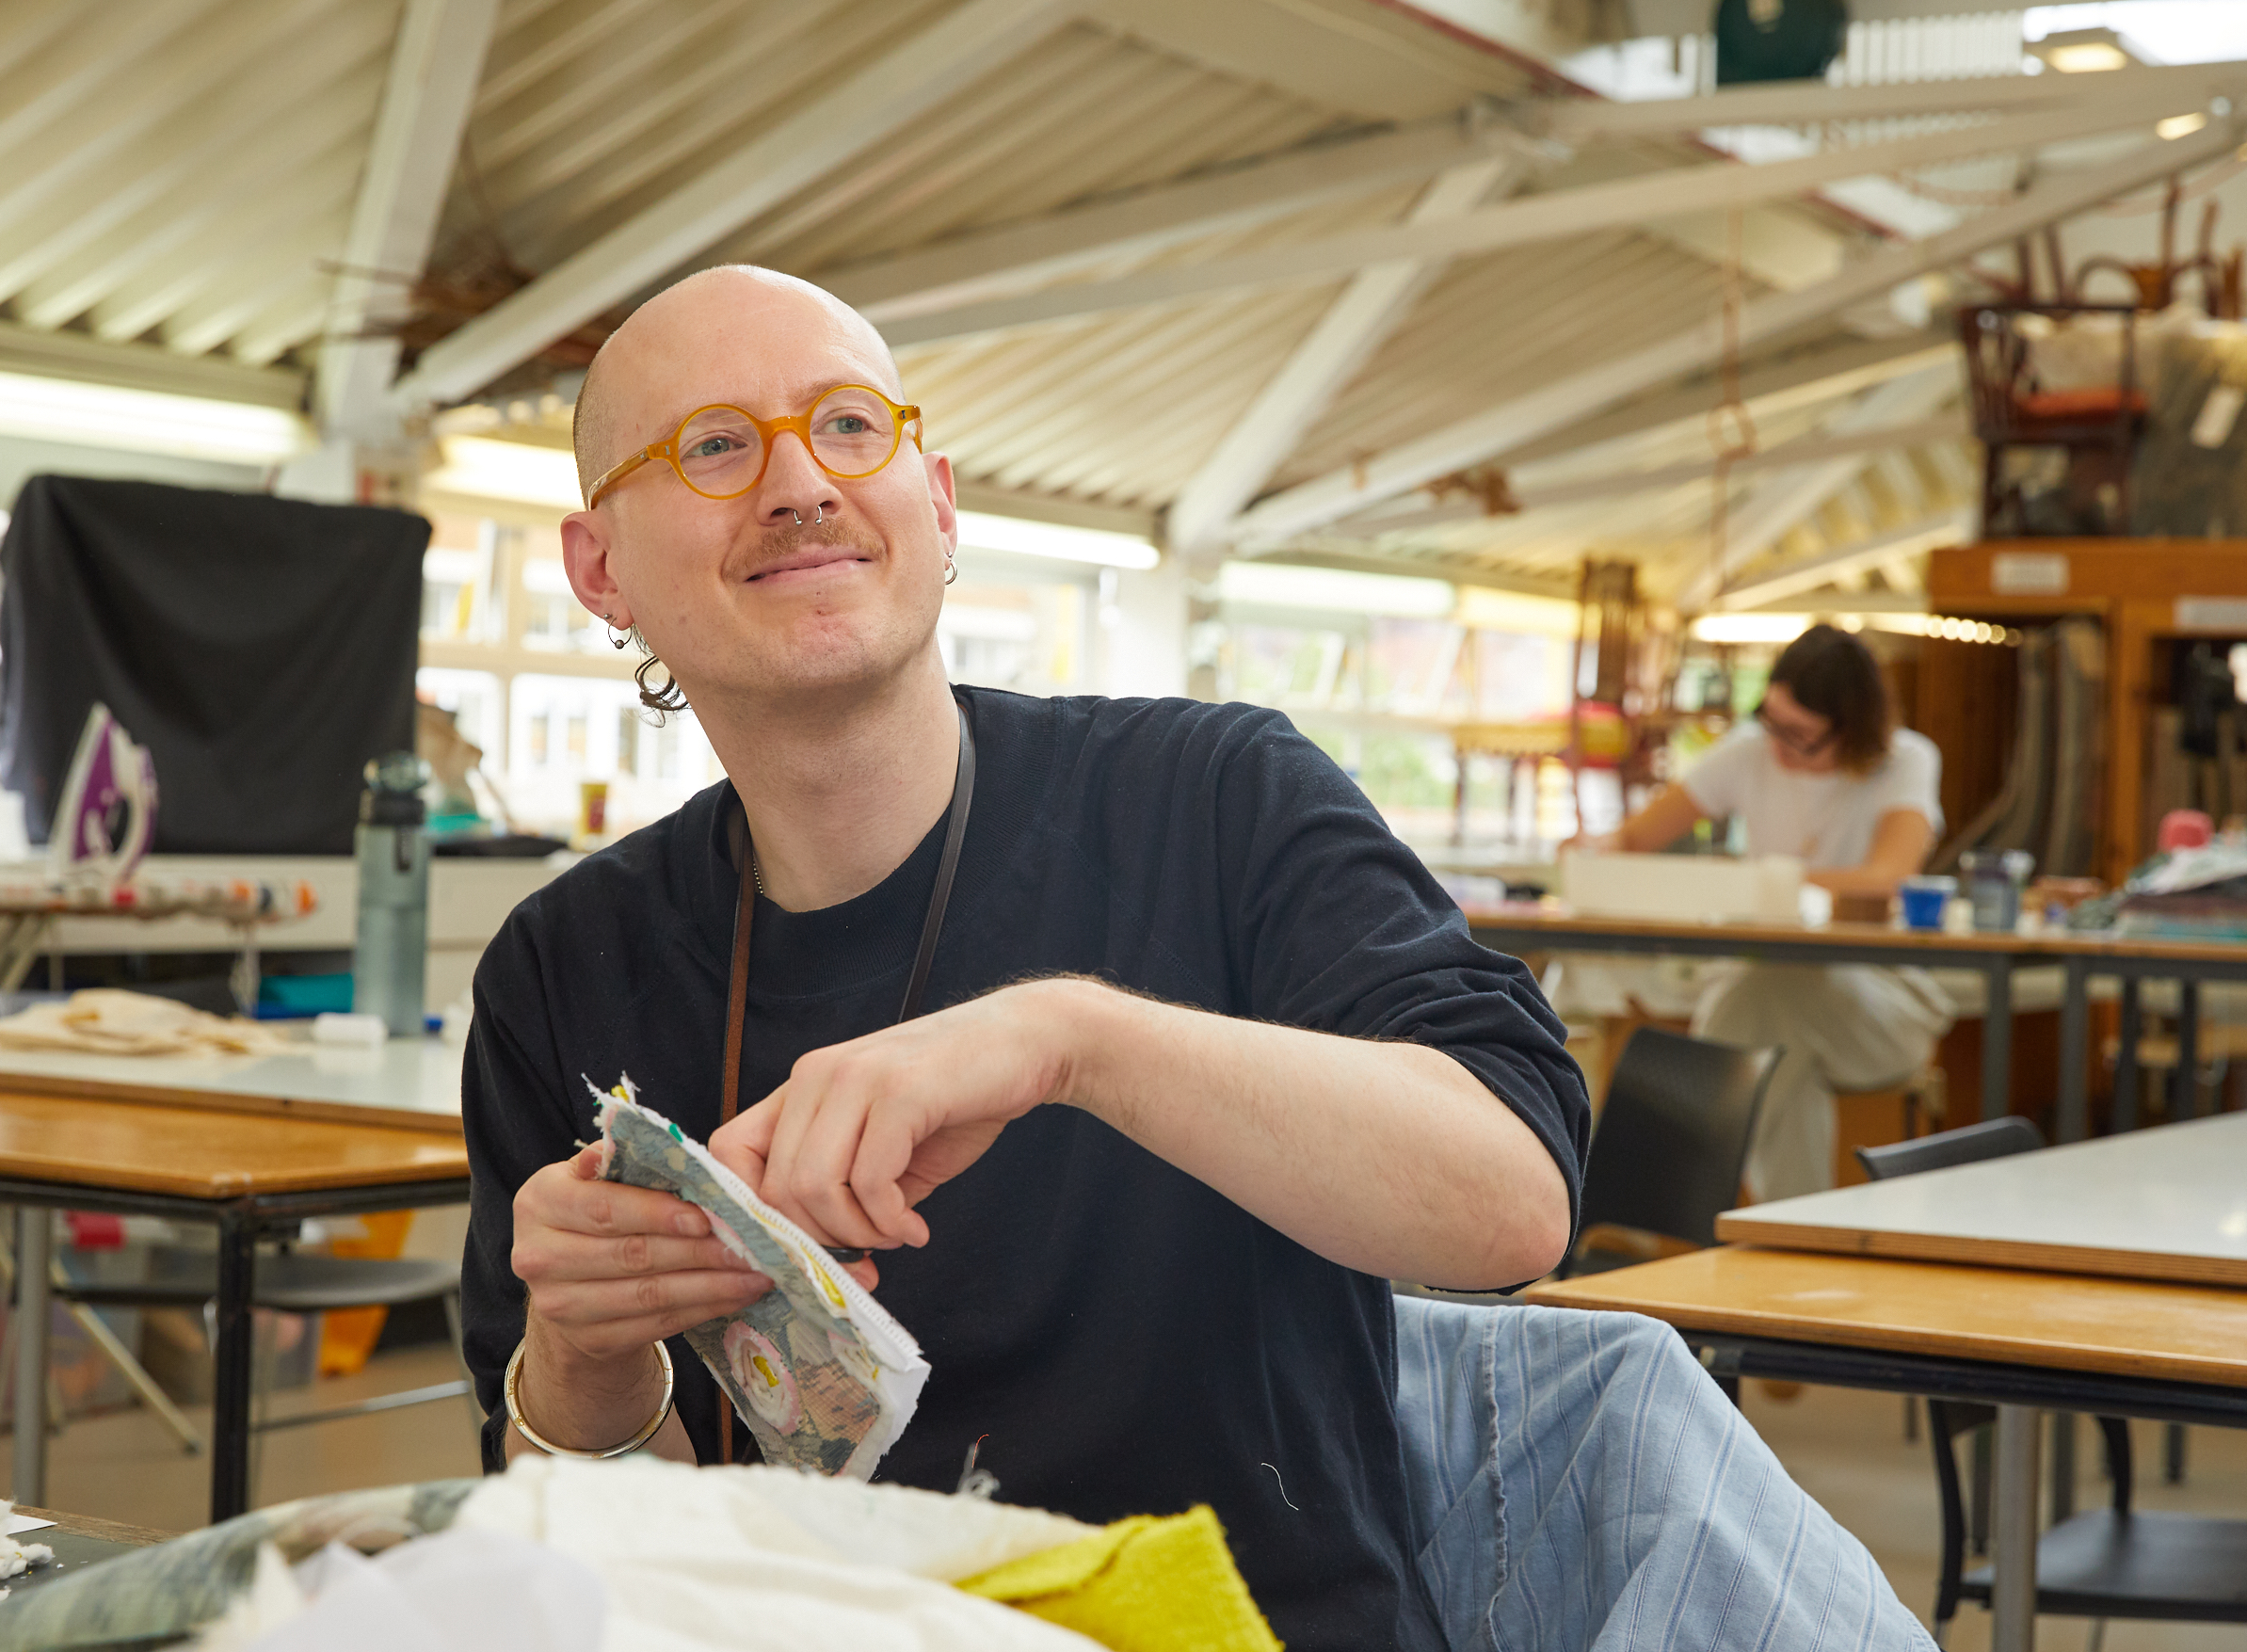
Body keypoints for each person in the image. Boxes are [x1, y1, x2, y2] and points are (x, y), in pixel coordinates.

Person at [460, 265, 1936, 1650]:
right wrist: (584, 1358)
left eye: (850, 424)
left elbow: (1514, 1201)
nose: (801, 480)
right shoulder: (566, 964)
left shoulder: (1216, 798)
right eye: (715, 447)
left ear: (940, 501)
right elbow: (592, 1537)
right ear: (601, 570)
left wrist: (1073, 1042)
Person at [1581, 625, 1953, 1198]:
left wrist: (1758, 883)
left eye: (1800, 735)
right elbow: (1633, 840)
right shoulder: (1749, 750)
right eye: (1771, 720)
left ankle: (1659, 1201)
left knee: (1759, 999)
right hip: (1771, 1000)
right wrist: (1586, 855)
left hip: (1879, 997)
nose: (1778, 743)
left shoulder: (1906, 760)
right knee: (1783, 1059)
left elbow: (1888, 880)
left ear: (1851, 732)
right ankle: (1794, 1242)